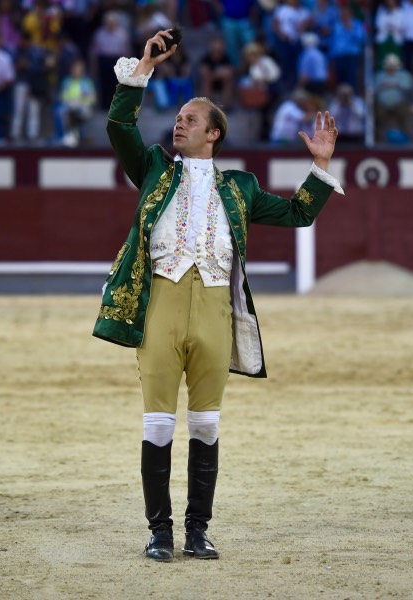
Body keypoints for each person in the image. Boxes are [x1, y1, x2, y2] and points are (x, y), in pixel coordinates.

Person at [92, 29, 344, 564]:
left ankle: (197, 531)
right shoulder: (154, 168)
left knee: (205, 423)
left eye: (190, 119)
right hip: (159, 306)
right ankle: (159, 533)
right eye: (179, 117)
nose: (179, 123)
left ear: (214, 134)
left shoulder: (241, 188)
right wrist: (143, 67)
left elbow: (299, 213)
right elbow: (119, 125)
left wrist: (319, 166)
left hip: (213, 313)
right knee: (158, 422)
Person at [374, 52, 413, 143]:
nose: (391, 67)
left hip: (400, 103)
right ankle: (378, 138)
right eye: (389, 65)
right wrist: (383, 86)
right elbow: (373, 89)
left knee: (404, 113)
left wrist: (397, 84)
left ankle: (407, 137)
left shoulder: (404, 75)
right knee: (378, 115)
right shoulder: (379, 75)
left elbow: (409, 87)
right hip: (382, 103)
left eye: (393, 65)